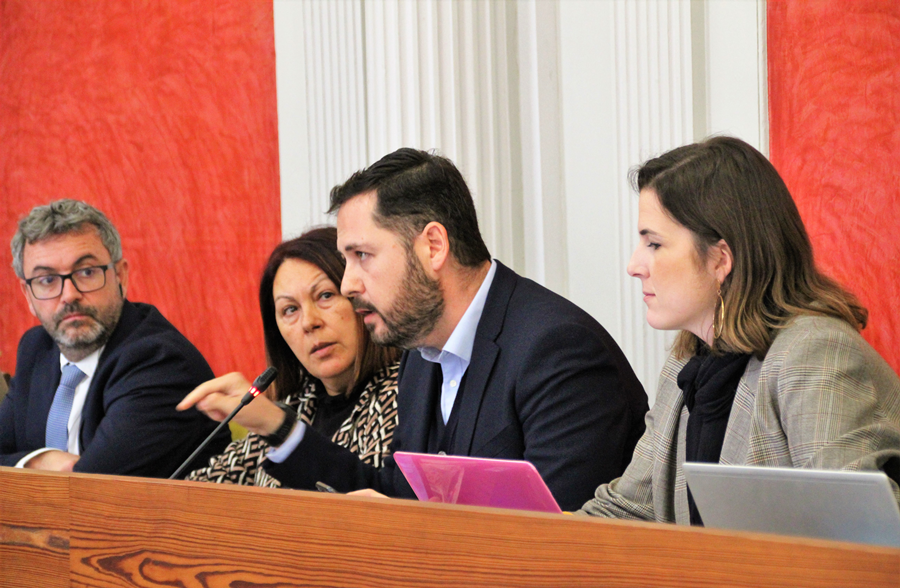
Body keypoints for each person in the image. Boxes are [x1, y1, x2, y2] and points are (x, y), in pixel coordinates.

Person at [237, 148, 648, 512]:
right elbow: (396, 498)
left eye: (363, 255)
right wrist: (283, 431)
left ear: (433, 246)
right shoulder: (421, 357)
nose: (348, 285)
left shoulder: (558, 351)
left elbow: (560, 543)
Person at [579, 136, 900, 524]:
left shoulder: (814, 353)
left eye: (654, 244)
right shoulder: (688, 360)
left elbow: (852, 533)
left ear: (721, 259)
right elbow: (629, 508)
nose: (634, 265)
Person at [1, 199, 229, 476]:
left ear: (120, 276)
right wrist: (36, 461)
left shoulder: (160, 363)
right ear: (27, 295)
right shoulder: (38, 349)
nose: (69, 294)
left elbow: (89, 489)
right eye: (47, 280)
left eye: (86, 272)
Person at [180, 227, 400, 487]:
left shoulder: (406, 394)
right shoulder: (297, 403)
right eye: (290, 310)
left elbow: (378, 505)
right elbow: (200, 494)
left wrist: (280, 428)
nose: (309, 322)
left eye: (325, 295)